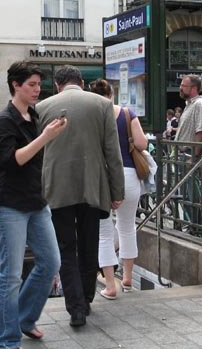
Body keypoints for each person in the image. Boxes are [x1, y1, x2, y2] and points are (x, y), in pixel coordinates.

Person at [36, 65, 124, 328]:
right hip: (92, 185)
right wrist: (116, 191)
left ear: (57, 84)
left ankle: (75, 307)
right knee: (89, 243)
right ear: (81, 83)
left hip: (57, 187)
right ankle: (86, 297)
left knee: (65, 247)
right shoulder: (102, 105)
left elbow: (37, 153)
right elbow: (112, 152)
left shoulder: (42, 107)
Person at [0, 61, 66, 348]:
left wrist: (50, 133)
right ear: (15, 85)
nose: (37, 90)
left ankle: (24, 318)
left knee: (51, 262)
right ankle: (4, 339)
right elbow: (11, 161)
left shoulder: (33, 115)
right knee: (9, 276)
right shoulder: (3, 121)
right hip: (9, 204)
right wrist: (46, 137)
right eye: (31, 85)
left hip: (36, 201)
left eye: (38, 85)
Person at [89, 79, 147, 300]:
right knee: (127, 227)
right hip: (129, 175)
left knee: (103, 232)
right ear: (112, 94)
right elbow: (141, 143)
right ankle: (128, 278)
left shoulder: (91, 115)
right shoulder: (126, 113)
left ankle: (110, 285)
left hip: (101, 176)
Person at [175, 75, 202, 158]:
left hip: (192, 155)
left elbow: (201, 132)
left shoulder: (200, 105)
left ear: (194, 88)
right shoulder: (189, 105)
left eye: (184, 86)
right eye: (180, 85)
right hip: (185, 154)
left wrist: (193, 157)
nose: (180, 88)